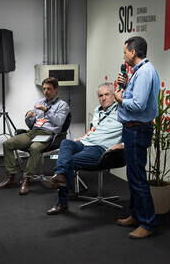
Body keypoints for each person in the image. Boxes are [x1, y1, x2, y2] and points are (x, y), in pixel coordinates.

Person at [42, 83, 124, 215]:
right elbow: (94, 129)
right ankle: (59, 175)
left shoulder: (122, 110)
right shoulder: (98, 110)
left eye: (107, 94)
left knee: (69, 161)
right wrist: (83, 137)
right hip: (86, 142)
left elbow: (132, 131)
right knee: (66, 143)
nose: (103, 98)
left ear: (114, 95)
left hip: (99, 148)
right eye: (100, 95)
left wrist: (123, 145)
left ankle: (62, 202)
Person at [114, 36, 161, 239]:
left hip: (137, 130)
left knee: (138, 177)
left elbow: (138, 105)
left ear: (133, 52)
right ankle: (136, 215)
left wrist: (119, 98)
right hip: (134, 129)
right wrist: (125, 85)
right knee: (133, 175)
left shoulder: (144, 72)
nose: (124, 56)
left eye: (125, 52)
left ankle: (148, 223)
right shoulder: (140, 71)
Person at [0, 77, 69, 195]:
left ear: (56, 89)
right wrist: (28, 117)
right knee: (7, 144)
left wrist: (46, 110)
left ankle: (26, 180)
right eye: (44, 89)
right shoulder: (39, 102)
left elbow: (59, 122)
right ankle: (11, 178)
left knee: (34, 147)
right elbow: (31, 124)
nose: (46, 91)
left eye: (49, 89)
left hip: (48, 135)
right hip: (33, 132)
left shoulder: (62, 105)